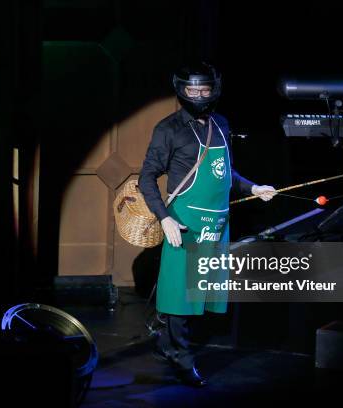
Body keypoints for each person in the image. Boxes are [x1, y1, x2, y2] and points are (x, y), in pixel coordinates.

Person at [138, 62, 276, 387]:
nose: (199, 95)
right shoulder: (168, 129)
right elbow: (146, 178)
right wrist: (165, 217)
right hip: (184, 223)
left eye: (205, 89)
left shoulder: (221, 123)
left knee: (203, 291)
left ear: (214, 89)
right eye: (192, 90)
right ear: (181, 90)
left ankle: (169, 345)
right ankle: (181, 359)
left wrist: (254, 188)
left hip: (217, 222)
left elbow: (224, 173)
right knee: (180, 298)